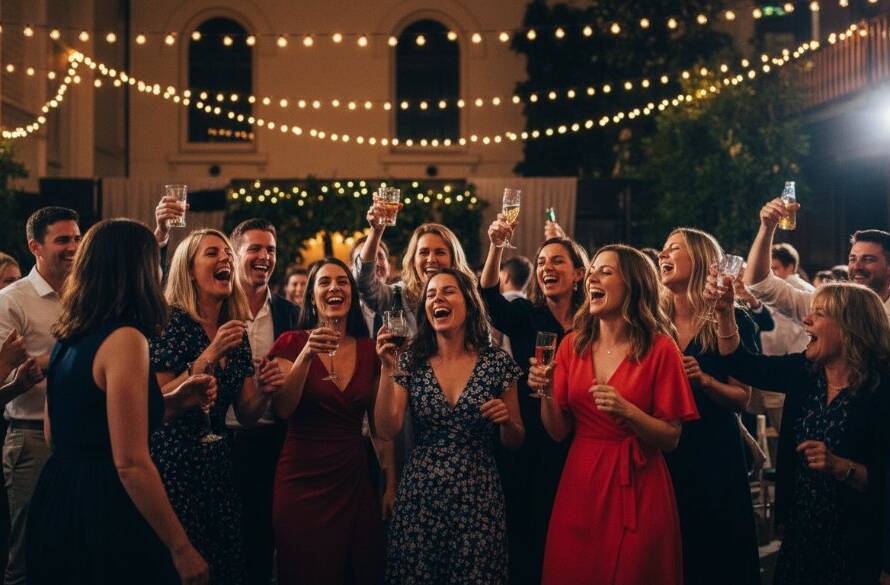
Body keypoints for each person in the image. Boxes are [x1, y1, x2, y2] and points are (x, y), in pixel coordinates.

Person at [24, 219, 212, 585]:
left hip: (59, 495)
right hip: (105, 506)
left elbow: (61, 430)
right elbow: (130, 462)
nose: (159, 271)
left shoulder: (68, 334)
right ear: (137, 270)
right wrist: (181, 547)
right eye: (154, 262)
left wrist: (174, 400)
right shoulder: (126, 339)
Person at [529, 244, 699, 585]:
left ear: (633, 285)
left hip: (638, 485)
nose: (592, 276)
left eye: (605, 271)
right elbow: (558, 431)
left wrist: (629, 412)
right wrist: (545, 392)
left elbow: (671, 437)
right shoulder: (570, 346)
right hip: (580, 483)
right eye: (592, 270)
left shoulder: (661, 348)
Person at [711, 276, 890, 585]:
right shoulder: (805, 372)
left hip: (859, 539)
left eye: (819, 313)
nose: (806, 319)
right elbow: (742, 365)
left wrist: (841, 466)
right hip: (802, 529)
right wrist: (726, 312)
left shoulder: (881, 390)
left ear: (849, 327)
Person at [375, 268, 524, 584]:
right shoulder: (411, 359)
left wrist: (506, 421)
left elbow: (515, 440)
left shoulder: (497, 362)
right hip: (421, 494)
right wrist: (387, 370)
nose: (437, 299)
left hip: (479, 496)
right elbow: (388, 428)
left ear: (469, 302)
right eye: (431, 294)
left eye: (448, 292)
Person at [150, 228, 278, 585]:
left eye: (228, 253)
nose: (226, 259)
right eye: (212, 254)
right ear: (189, 270)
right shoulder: (169, 323)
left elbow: (248, 413)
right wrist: (209, 355)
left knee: (224, 566)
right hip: (173, 463)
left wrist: (265, 390)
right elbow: (156, 403)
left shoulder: (234, 329)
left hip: (219, 465)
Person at [268, 258, 392, 585]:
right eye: (324, 282)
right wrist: (306, 356)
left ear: (352, 295)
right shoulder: (290, 343)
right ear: (312, 296)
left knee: (362, 568)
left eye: (342, 282)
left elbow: (382, 428)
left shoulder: (369, 350)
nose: (334, 288)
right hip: (301, 479)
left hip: (352, 477)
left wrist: (390, 482)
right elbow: (283, 408)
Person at [480, 215, 588, 584]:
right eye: (541, 262)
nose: (547, 268)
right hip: (531, 436)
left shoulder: (592, 323)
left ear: (578, 274)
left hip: (581, 435)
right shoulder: (528, 316)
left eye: (557, 260)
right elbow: (491, 299)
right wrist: (496, 246)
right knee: (530, 531)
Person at [657, 228, 760, 584]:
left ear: (699, 259)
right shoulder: (654, 322)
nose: (662, 255)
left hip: (714, 451)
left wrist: (703, 381)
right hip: (663, 448)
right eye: (663, 249)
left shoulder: (733, 319)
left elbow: (741, 397)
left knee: (717, 555)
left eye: (673, 249)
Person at [0, 206, 80, 585]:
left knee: (74, 550)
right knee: (27, 553)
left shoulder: (86, 293)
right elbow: (3, 374)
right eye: (63, 239)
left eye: (77, 238)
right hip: (31, 437)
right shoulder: (12, 300)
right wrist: (25, 372)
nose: (73, 247)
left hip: (82, 437)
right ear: (35, 245)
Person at [227, 219, 297, 585]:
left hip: (274, 442)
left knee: (265, 543)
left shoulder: (290, 314)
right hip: (222, 441)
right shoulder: (217, 307)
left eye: (270, 249)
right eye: (254, 248)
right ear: (236, 254)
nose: (264, 257)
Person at [743, 198, 890, 319]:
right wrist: (767, 228)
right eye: (853, 259)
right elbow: (759, 284)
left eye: (868, 259)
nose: (857, 266)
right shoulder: (831, 306)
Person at [355, 201, 475, 333]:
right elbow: (364, 284)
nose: (431, 260)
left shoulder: (469, 296)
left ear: (454, 259)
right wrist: (376, 231)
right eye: (423, 252)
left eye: (440, 252)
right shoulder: (398, 296)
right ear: (413, 260)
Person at [350, 236, 390, 337]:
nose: (374, 264)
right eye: (366, 259)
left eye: (380, 256)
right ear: (352, 269)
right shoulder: (345, 312)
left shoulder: (402, 306)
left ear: (388, 266)